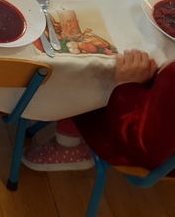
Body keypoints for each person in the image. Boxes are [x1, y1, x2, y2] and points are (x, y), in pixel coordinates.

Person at [22, 49, 175, 173]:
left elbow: (147, 149)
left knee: (82, 79)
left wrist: (129, 85)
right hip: (152, 108)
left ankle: (69, 145)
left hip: (131, 143)